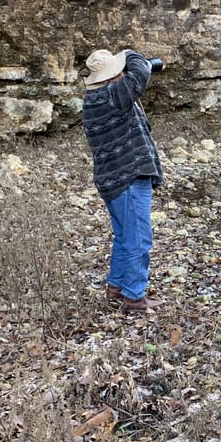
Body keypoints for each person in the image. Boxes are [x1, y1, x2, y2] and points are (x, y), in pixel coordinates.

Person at [82, 48, 164, 312]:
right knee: (138, 238)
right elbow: (141, 72)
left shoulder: (94, 98)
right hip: (127, 177)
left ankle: (115, 288)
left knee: (124, 236)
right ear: (112, 76)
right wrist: (130, 53)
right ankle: (134, 297)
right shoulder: (112, 95)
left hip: (111, 180)